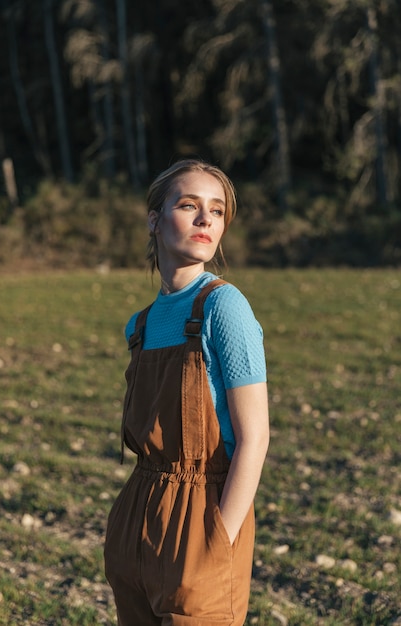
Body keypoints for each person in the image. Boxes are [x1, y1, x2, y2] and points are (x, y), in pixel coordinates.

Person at [104, 158, 270, 626]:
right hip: (137, 514)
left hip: (203, 516)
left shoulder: (225, 306)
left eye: (216, 211)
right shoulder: (140, 325)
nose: (205, 220)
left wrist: (220, 538)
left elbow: (254, 438)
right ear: (154, 220)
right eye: (189, 205)